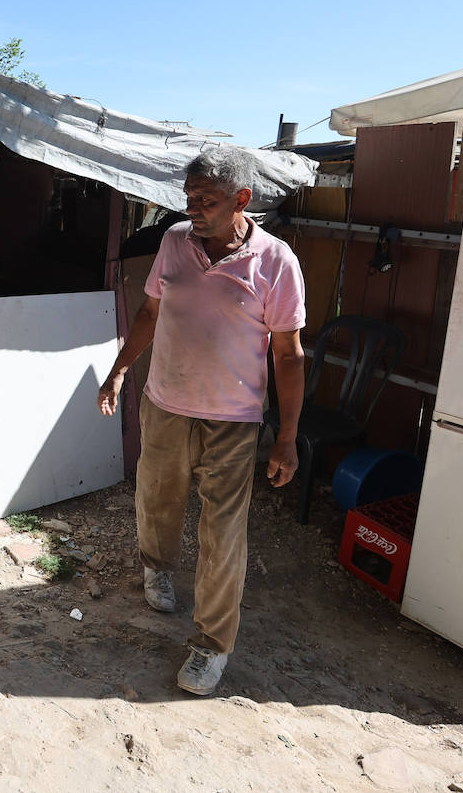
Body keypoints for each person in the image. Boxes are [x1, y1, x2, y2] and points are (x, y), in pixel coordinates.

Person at [97, 147, 306, 696]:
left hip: (233, 422)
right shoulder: (173, 242)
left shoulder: (276, 261)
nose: (194, 209)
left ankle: (212, 645)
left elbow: (288, 354)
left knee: (223, 534)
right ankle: (156, 566)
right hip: (165, 403)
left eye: (206, 200)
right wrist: (120, 371)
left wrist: (286, 437)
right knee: (157, 497)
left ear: (243, 199)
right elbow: (150, 313)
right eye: (189, 198)